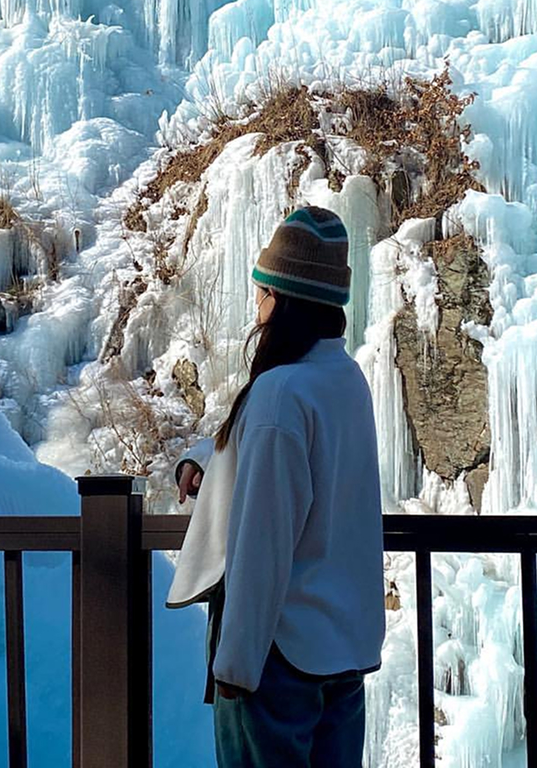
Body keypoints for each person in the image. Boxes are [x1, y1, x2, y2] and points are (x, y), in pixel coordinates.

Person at [165, 206, 385, 768]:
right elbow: (309, 469)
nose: (257, 306)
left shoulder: (280, 394)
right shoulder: (344, 380)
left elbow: (262, 541)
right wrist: (211, 460)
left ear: (283, 298)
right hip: (340, 651)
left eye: (262, 291)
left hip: (276, 657)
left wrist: (235, 666)